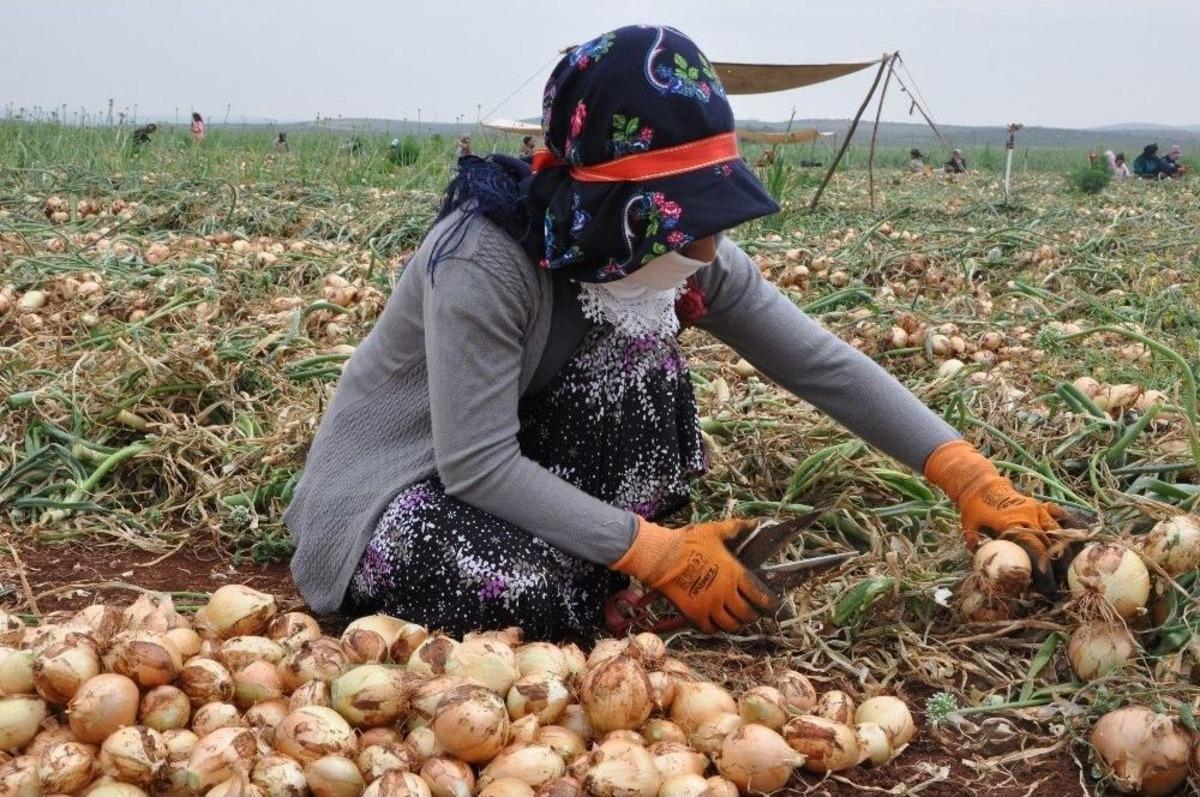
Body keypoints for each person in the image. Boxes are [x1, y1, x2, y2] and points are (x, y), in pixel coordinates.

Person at [285, 26, 1071, 640]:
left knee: (636, 371)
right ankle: (616, 573)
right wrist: (654, 551)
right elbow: (476, 463)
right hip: (399, 486)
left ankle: (611, 570)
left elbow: (816, 360)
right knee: (512, 589)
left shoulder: (677, 252)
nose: (705, 247)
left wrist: (965, 472)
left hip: (505, 473)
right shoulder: (487, 260)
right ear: (615, 207)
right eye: (683, 219)